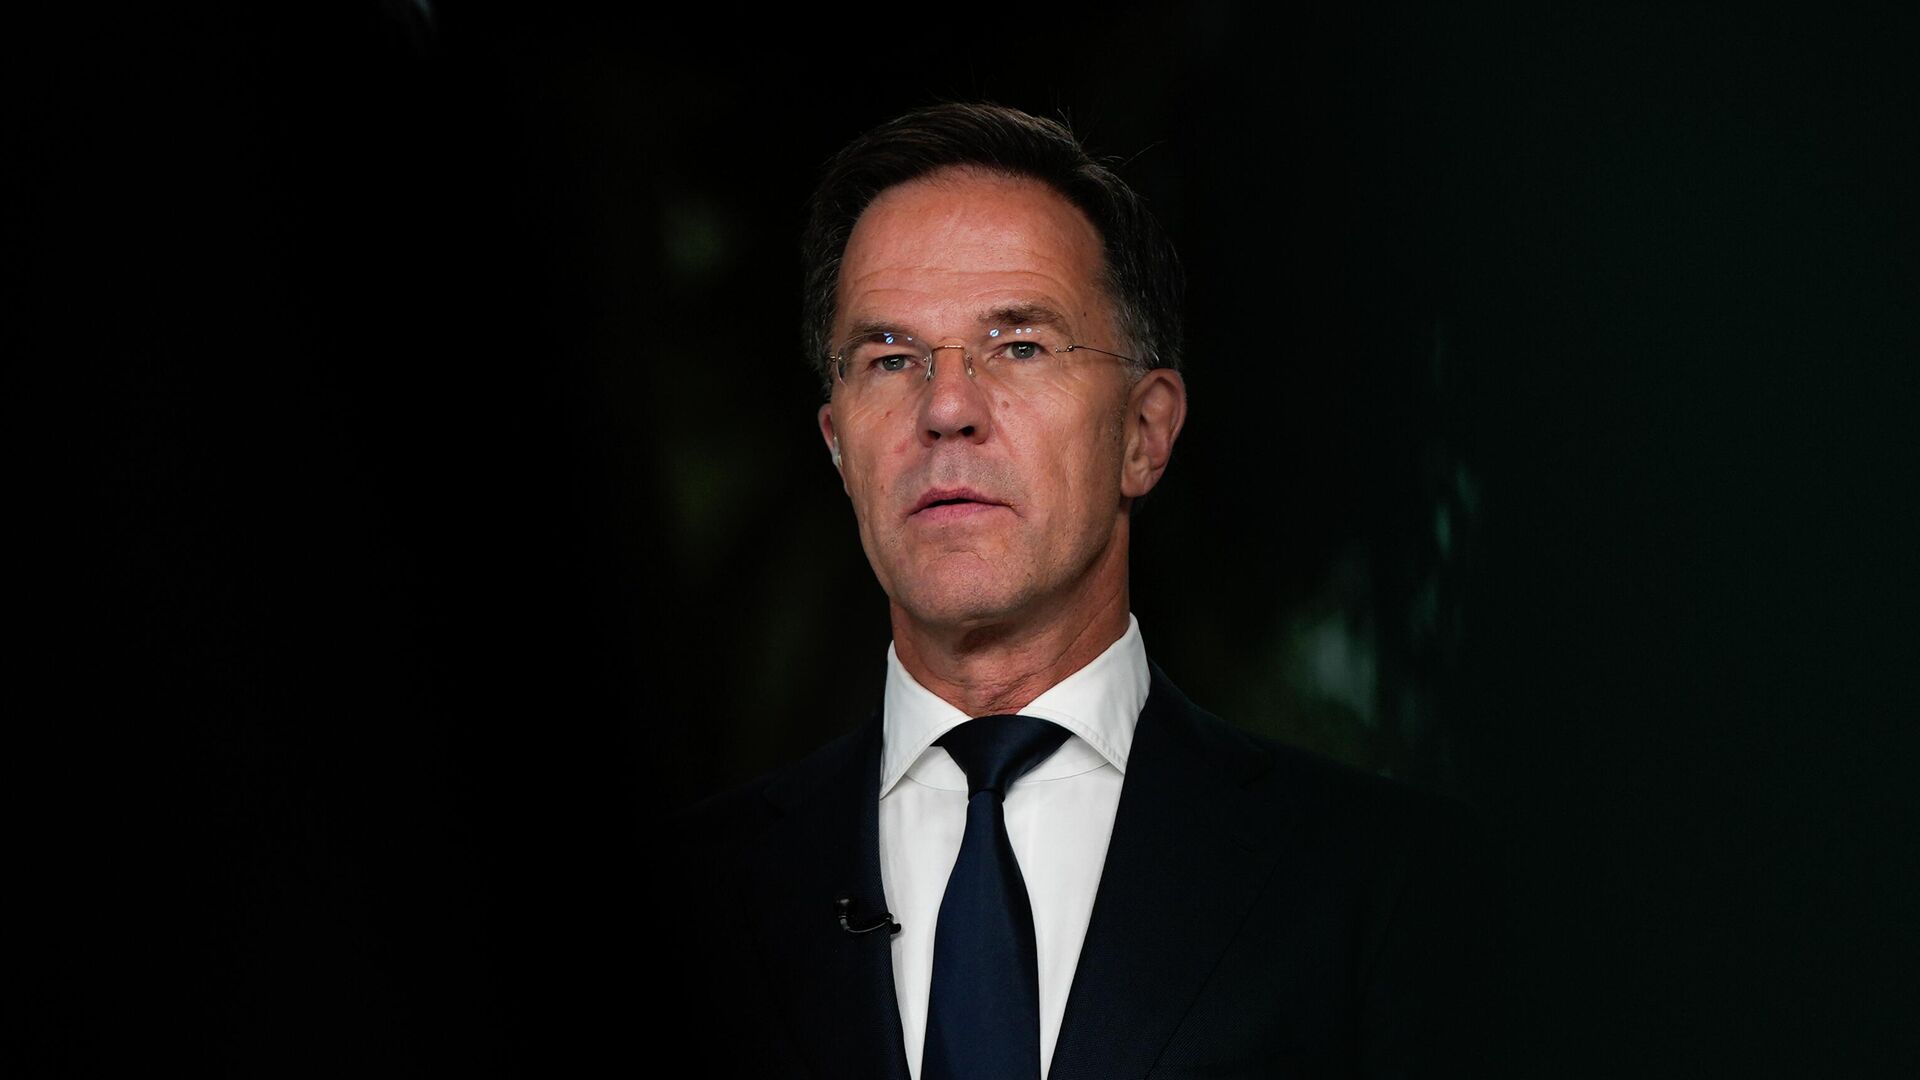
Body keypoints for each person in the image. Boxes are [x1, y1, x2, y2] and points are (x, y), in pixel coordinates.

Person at [669, 103, 1494, 1080]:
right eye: (891, 359)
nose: (945, 408)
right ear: (838, 446)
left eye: (1019, 346)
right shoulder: (680, 904)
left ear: (1144, 432)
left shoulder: (1388, 884)